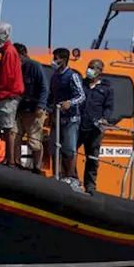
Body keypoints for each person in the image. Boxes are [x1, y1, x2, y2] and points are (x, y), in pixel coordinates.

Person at [78, 59, 115, 195]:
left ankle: (90, 186)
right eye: (88, 67)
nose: (89, 70)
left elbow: (109, 107)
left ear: (100, 71)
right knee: (69, 153)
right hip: (80, 125)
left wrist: (104, 118)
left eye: (92, 68)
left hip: (95, 129)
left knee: (92, 158)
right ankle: (72, 179)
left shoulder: (106, 88)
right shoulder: (81, 84)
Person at [48, 49, 86, 181]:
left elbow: (81, 96)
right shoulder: (54, 77)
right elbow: (52, 96)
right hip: (57, 118)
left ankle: (71, 176)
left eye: (56, 58)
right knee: (54, 146)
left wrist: (70, 103)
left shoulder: (72, 76)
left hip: (71, 118)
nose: (54, 60)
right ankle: (56, 174)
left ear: (63, 60)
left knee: (69, 148)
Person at [0, 23, 25, 167]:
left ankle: (10, 159)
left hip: (8, 95)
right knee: (6, 128)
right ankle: (9, 158)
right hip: (6, 94)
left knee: (8, 127)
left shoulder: (9, 52)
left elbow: (8, 76)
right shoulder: (8, 52)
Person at [15, 42, 49, 173]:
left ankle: (37, 166)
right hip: (20, 108)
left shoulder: (35, 66)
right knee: (15, 135)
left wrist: (40, 106)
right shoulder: (16, 68)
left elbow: (44, 87)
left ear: (23, 55)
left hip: (33, 109)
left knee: (34, 140)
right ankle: (15, 162)